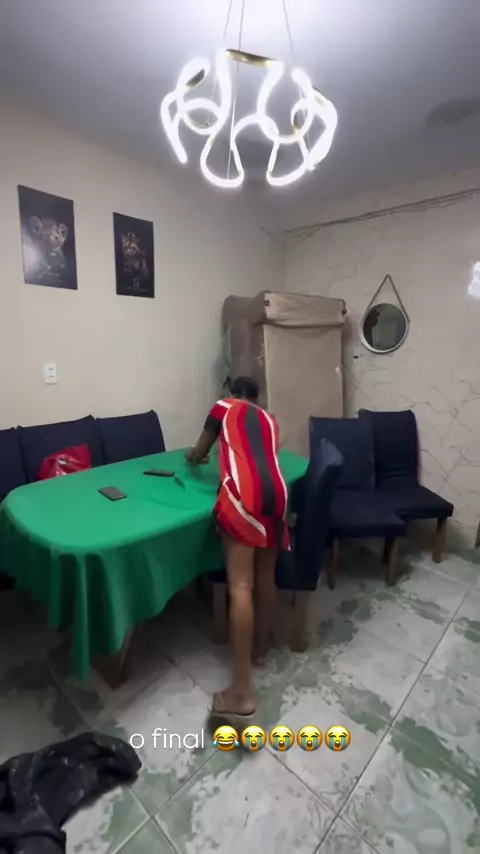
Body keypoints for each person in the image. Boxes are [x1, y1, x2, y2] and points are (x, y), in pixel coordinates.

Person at [186, 376, 289, 719]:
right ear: (256, 398)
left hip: (243, 496)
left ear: (233, 394)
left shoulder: (223, 407)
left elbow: (199, 451)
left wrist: (193, 457)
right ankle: (259, 650)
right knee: (266, 579)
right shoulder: (270, 420)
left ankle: (241, 693)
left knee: (241, 587)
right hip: (278, 495)